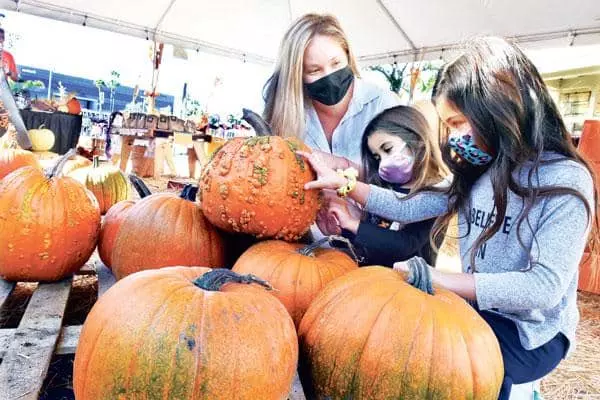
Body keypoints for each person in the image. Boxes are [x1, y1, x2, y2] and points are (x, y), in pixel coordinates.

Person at [299, 37, 597, 400]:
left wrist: (437, 278)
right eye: (448, 126)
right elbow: (408, 206)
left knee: (461, 370)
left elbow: (543, 288)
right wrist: (346, 185)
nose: (453, 137)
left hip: (533, 332)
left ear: (497, 107)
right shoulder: (480, 170)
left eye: (457, 123)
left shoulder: (563, 179)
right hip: (477, 312)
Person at [263, 13, 399, 168]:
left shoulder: (381, 103)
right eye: (314, 70)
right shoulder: (284, 113)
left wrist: (344, 171)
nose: (329, 76)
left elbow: (403, 179)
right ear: (296, 75)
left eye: (336, 63)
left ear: (347, 55)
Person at [318, 105, 448, 266]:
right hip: (368, 277)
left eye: (388, 149)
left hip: (405, 285)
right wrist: (341, 232)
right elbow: (371, 239)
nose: (383, 162)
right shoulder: (386, 187)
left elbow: (404, 246)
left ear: (417, 139)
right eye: (377, 157)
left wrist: (352, 224)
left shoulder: (434, 194)